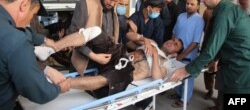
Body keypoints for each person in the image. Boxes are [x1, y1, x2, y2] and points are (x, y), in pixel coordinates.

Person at [170, 0, 250, 110]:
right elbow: (223, 42)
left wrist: (186, 70)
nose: (201, 0)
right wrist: (215, 59)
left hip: (241, 70)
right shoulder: (224, 9)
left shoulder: (225, 13)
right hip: (231, 65)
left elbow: (210, 49)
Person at [34, 31, 184, 98]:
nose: (171, 42)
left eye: (175, 45)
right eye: (172, 40)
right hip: (119, 55)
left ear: (174, 54)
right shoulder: (152, 42)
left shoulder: (166, 62)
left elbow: (157, 79)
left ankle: (61, 84)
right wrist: (145, 40)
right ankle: (52, 47)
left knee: (106, 79)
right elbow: (129, 35)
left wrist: (156, 55)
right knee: (96, 31)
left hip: (127, 72)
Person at [0, 0, 71, 109]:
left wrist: (45, 40)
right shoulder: (16, 41)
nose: (30, 19)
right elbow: (37, 91)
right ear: (24, 5)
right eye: (33, 15)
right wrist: (59, 89)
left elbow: (22, 32)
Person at [66, 0, 129, 77]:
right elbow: (73, 35)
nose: (112, 4)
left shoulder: (112, 7)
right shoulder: (85, 4)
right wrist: (93, 56)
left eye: (116, 2)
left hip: (104, 65)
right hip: (84, 65)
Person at [169, 0, 204, 108]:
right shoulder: (181, 16)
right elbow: (174, 32)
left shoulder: (199, 20)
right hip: (176, 52)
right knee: (176, 73)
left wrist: (183, 54)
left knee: (188, 78)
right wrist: (171, 48)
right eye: (187, 3)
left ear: (198, 6)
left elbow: (195, 42)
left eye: (192, 4)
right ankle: (178, 93)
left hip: (189, 54)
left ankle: (185, 99)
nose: (189, 6)